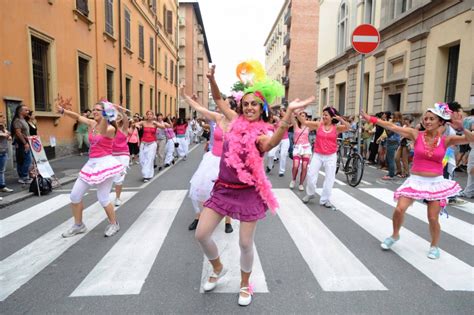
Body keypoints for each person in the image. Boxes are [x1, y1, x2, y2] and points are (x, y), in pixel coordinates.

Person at [197, 63, 314, 306]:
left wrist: (289, 113)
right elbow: (218, 100)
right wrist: (211, 79)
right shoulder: (233, 120)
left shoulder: (261, 134)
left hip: (248, 193)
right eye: (246, 103)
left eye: (254, 104)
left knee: (244, 242)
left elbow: (272, 142)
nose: (249, 107)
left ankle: (244, 284)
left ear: (262, 108)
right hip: (223, 189)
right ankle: (218, 267)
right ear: (241, 106)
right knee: (202, 234)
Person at [361, 103, 473, 259]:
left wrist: (462, 126)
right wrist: (371, 119)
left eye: (431, 119)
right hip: (415, 181)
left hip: (435, 183)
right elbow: (391, 126)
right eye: (425, 118)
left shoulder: (447, 140)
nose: (427, 121)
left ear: (440, 122)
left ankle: (434, 246)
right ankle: (394, 235)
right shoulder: (416, 134)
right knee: (399, 209)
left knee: (433, 217)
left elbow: (470, 139)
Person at [58, 99, 125, 238]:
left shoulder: (111, 128)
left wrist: (109, 114)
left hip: (105, 164)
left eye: (98, 110)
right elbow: (77, 117)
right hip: (91, 164)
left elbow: (102, 130)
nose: (94, 111)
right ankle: (78, 225)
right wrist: (64, 111)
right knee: (75, 196)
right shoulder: (92, 123)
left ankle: (114, 224)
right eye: (93, 109)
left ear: (105, 113)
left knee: (103, 198)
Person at [180, 88, 234, 233]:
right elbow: (199, 108)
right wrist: (184, 96)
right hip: (211, 159)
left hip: (227, 163)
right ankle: (199, 217)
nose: (221, 105)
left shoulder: (238, 122)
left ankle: (228, 221)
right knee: (199, 187)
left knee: (226, 192)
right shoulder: (218, 117)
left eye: (225, 103)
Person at [301, 106, 350, 208]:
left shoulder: (336, 128)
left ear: (332, 117)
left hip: (331, 156)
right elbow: (305, 122)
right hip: (318, 154)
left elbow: (348, 127)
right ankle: (310, 193)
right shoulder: (319, 125)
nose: (323, 116)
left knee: (329, 178)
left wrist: (340, 119)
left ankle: (325, 199)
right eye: (323, 114)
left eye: (326, 115)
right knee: (310, 175)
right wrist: (296, 113)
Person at [136, 111, 168, 182]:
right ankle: (148, 173)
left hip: (152, 143)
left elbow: (163, 127)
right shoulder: (143, 122)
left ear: (153, 116)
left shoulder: (154, 123)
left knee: (150, 159)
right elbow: (135, 124)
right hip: (143, 143)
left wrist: (158, 123)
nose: (149, 116)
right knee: (142, 159)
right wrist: (136, 125)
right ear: (146, 116)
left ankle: (146, 176)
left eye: (151, 114)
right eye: (148, 114)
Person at [112, 106, 130, 206]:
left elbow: (126, 120)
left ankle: (117, 198)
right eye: (116, 116)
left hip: (123, 155)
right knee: (110, 177)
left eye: (119, 116)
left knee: (119, 177)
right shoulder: (110, 129)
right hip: (111, 155)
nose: (118, 117)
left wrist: (121, 111)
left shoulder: (124, 128)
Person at [289, 111, 311, 191]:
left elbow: (319, 125)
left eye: (303, 116)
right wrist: (294, 111)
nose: (302, 117)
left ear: (306, 118)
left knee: (304, 167)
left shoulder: (309, 126)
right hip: (297, 148)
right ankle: (293, 180)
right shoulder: (295, 125)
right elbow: (291, 116)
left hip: (306, 148)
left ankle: (301, 184)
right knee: (295, 165)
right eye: (301, 116)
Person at [10, 104, 32, 184]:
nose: (28, 111)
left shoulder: (23, 120)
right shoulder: (17, 120)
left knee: (23, 159)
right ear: (21, 111)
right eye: (26, 110)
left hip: (24, 142)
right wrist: (25, 143)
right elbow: (18, 133)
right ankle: (24, 177)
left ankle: (22, 177)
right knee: (27, 159)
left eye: (28, 110)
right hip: (21, 143)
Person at [382, 111, 402, 180]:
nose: (391, 116)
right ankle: (391, 173)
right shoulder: (397, 124)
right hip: (392, 142)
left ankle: (391, 174)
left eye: (393, 115)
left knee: (390, 159)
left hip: (392, 142)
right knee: (389, 158)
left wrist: (384, 125)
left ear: (395, 117)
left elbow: (389, 134)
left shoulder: (396, 124)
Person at [0, 112, 14, 193]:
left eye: (4, 117)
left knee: (2, 171)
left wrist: (6, 133)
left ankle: (2, 186)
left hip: (3, 151)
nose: (3, 119)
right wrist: (5, 134)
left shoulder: (3, 128)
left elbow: (9, 137)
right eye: (1, 117)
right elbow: (4, 135)